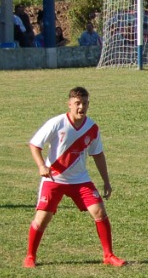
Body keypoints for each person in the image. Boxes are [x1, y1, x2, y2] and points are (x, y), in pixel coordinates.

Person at [24, 87, 125, 268]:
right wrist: (41, 166)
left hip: (80, 180)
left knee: (99, 212)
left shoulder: (92, 128)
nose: (81, 107)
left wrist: (106, 181)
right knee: (42, 218)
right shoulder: (57, 123)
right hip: (54, 179)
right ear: (69, 104)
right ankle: (30, 256)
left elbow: (98, 154)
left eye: (84, 103)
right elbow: (34, 144)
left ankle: (108, 255)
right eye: (77, 103)